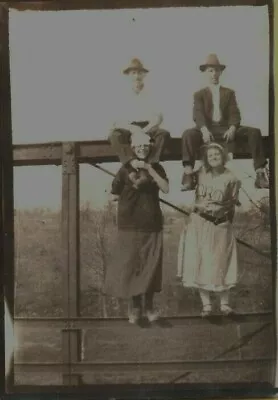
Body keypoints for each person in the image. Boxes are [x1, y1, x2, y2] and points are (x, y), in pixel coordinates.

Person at [103, 134, 169, 324]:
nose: (142, 149)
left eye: (145, 145)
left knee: (150, 266)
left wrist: (149, 170)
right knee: (131, 266)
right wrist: (125, 196)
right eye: (138, 146)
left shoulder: (156, 167)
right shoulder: (124, 169)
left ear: (150, 147)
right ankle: (135, 307)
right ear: (132, 147)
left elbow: (165, 188)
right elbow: (112, 194)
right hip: (129, 224)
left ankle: (148, 307)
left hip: (152, 223)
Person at [181, 54, 269, 191]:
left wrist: (233, 127)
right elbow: (197, 114)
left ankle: (259, 174)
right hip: (207, 130)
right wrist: (203, 129)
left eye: (216, 70)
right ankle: (188, 174)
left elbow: (235, 113)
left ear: (221, 72)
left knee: (254, 132)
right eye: (210, 70)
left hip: (225, 129)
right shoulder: (199, 94)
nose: (214, 74)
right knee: (188, 134)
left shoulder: (228, 93)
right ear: (205, 72)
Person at [177, 143, 241, 317]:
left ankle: (225, 305)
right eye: (210, 155)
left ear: (223, 156)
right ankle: (206, 306)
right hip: (199, 222)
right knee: (200, 262)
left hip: (221, 224)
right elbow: (186, 187)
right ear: (206, 158)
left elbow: (233, 204)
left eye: (216, 154)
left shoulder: (232, 178)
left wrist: (226, 222)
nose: (213, 157)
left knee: (221, 263)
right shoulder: (200, 173)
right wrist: (197, 204)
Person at [108, 58, 171, 187]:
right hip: (129, 128)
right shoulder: (119, 95)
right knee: (114, 135)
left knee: (163, 134)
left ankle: (150, 166)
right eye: (133, 73)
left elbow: (158, 117)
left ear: (144, 75)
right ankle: (131, 166)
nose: (137, 76)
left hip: (147, 127)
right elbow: (115, 121)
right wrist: (133, 130)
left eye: (139, 73)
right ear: (128, 75)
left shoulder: (152, 93)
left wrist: (144, 131)